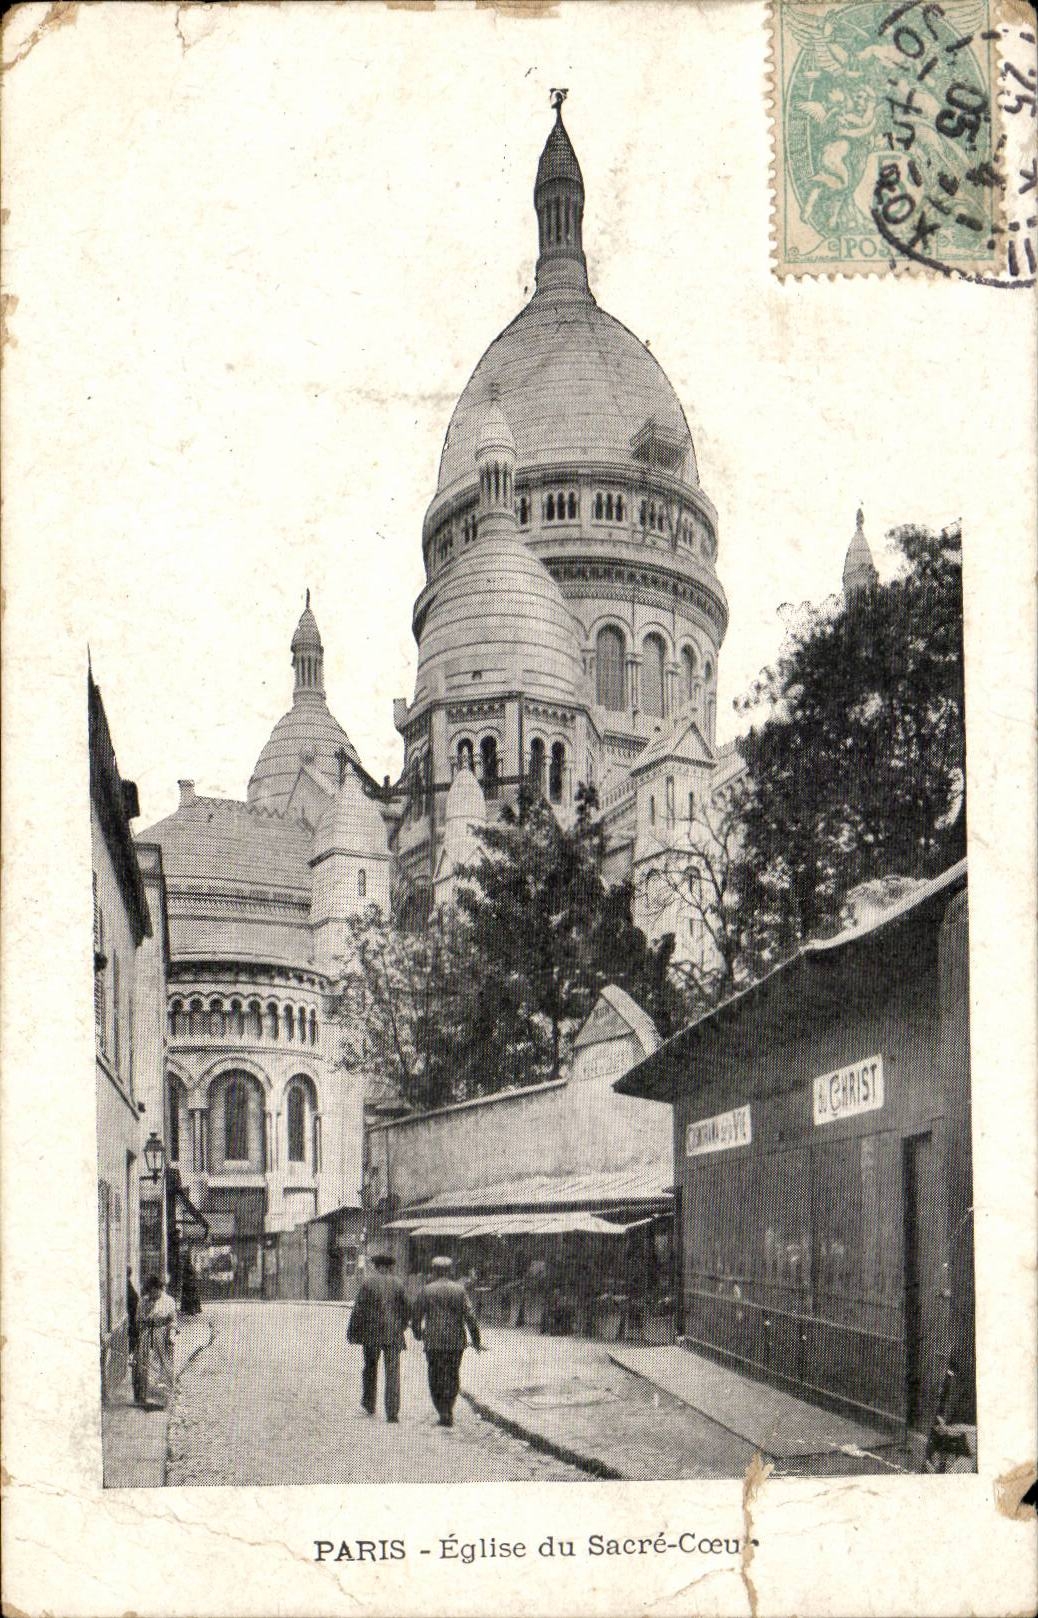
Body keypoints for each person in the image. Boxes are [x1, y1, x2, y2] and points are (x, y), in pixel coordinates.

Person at [411, 1255, 484, 1428]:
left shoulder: (426, 1290)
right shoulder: (459, 1290)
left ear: (434, 1271)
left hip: (434, 1342)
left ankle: (442, 1410)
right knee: (452, 1374)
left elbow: (416, 1317)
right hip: (455, 1341)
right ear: (450, 1271)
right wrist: (476, 1339)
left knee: (435, 1375)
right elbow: (470, 1317)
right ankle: (449, 1408)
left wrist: (418, 1334)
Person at [346, 1250, 410, 1424]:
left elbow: (358, 1310)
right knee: (393, 1372)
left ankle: (369, 1404)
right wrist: (400, 1327)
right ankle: (392, 1412)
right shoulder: (399, 1284)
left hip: (371, 1333)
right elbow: (407, 1310)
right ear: (389, 1267)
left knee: (370, 1368)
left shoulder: (368, 1283)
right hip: (393, 1333)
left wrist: (353, 1332)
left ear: (377, 1266)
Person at [133, 1274, 178, 1411]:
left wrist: (171, 1333)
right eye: (148, 1291)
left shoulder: (169, 1301)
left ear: (159, 1288)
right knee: (144, 1365)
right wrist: (143, 1325)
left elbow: (173, 1321)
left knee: (162, 1366)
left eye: (153, 1291)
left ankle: (160, 1399)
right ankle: (144, 1398)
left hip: (162, 1336)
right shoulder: (143, 1301)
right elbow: (138, 1319)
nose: (151, 1294)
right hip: (146, 1335)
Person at [126, 1270, 143, 1406]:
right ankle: (138, 1394)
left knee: (135, 1361)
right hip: (133, 1329)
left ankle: (138, 1394)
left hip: (133, 1329)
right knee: (135, 1361)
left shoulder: (127, 1288)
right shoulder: (128, 1288)